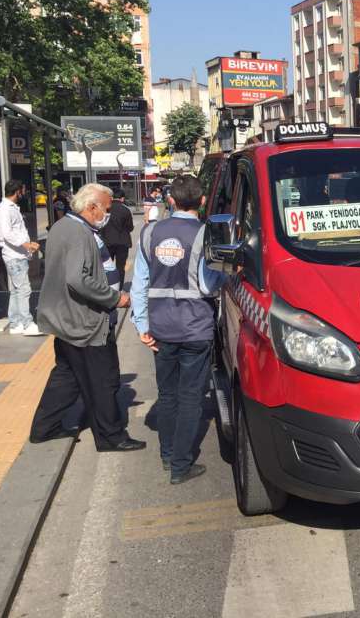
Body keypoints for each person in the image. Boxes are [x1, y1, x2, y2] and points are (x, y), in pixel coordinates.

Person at [29, 183, 145, 451]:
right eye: (105, 208)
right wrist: (115, 298)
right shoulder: (80, 233)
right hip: (85, 322)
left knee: (67, 377)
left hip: (67, 319)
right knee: (103, 381)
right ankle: (111, 436)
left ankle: (43, 428)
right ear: (91, 207)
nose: (108, 213)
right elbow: (77, 279)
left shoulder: (61, 227)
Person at [131, 174, 226, 485]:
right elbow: (208, 285)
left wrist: (142, 324)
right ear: (201, 201)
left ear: (169, 200)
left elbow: (139, 284)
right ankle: (181, 466)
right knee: (190, 398)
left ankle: (168, 454)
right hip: (195, 327)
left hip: (160, 327)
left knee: (167, 394)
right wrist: (227, 277)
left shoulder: (149, 233)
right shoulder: (204, 234)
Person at [0, 180, 43, 335]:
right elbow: (7, 233)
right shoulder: (5, 209)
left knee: (17, 290)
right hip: (14, 255)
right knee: (24, 289)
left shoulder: (10, 208)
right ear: (17, 191)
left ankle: (16, 322)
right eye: (22, 190)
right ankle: (26, 323)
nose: (24, 193)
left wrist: (27, 245)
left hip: (17, 254)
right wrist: (26, 245)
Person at [101, 189, 134, 286]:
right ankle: (119, 288)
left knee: (106, 266)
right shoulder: (126, 209)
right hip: (122, 243)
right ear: (122, 198)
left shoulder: (105, 208)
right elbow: (130, 227)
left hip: (107, 242)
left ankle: (108, 286)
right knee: (120, 266)